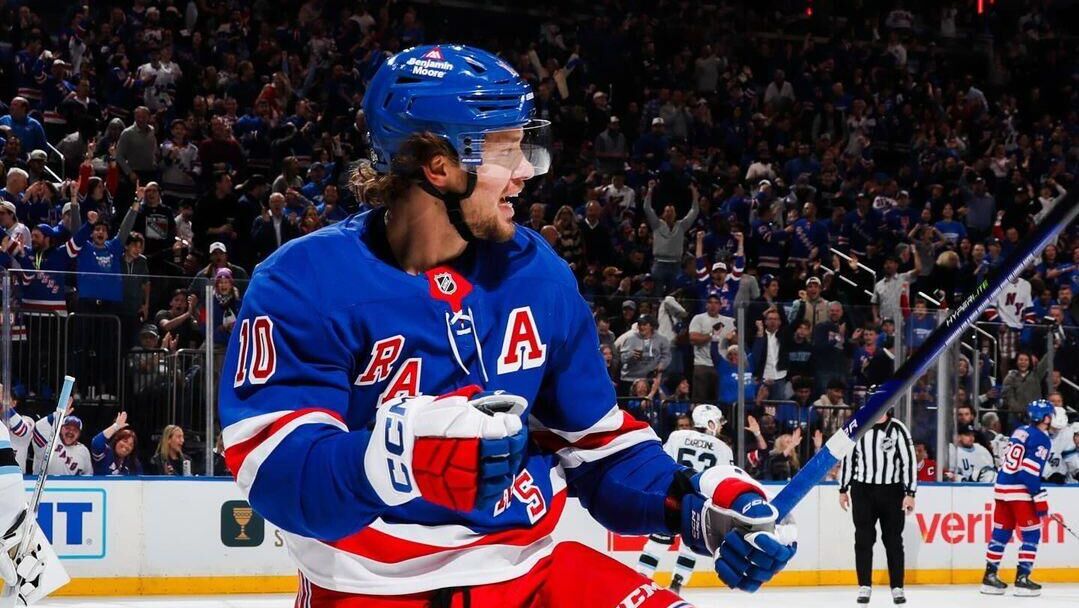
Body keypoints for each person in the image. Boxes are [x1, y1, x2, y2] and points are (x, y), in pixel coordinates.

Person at [219, 45, 795, 607]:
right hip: (371, 590)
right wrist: (394, 457)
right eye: (505, 151)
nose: (525, 173)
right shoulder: (304, 283)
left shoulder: (538, 274)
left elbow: (597, 447)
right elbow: (278, 474)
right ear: (439, 166)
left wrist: (698, 505)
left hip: (535, 576)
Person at [636, 405, 733, 594]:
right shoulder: (723, 449)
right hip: (698, 502)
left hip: (671, 497)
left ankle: (641, 580)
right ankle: (676, 585)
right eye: (718, 422)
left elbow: (662, 462)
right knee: (690, 548)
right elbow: (724, 481)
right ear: (710, 423)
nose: (720, 426)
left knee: (657, 542)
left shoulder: (677, 436)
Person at [838, 409, 916, 605]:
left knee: (893, 541)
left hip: (892, 491)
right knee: (863, 539)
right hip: (862, 491)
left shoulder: (898, 429)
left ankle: (897, 587)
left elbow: (909, 461)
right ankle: (864, 585)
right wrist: (843, 488)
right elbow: (848, 459)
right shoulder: (859, 427)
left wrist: (910, 493)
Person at [981, 400, 1057, 597]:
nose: (1052, 418)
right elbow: (1028, 472)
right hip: (1019, 492)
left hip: (1001, 487)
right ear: (1045, 418)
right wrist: (1038, 495)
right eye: (1050, 414)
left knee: (1001, 532)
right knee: (1032, 534)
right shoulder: (1042, 439)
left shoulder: (1019, 430)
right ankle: (1022, 579)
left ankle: (989, 577)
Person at [688, 295, 735, 401]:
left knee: (720, 399)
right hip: (703, 365)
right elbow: (693, 338)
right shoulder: (699, 318)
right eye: (710, 303)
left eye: (716, 303)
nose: (713, 305)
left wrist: (732, 338)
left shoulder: (728, 321)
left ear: (720, 306)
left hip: (722, 365)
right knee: (700, 400)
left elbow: (737, 341)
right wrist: (711, 334)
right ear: (706, 305)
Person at [33, 410, 92, 477]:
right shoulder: (49, 439)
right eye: (67, 428)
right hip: (43, 483)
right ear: (60, 429)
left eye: (75, 430)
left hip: (69, 484)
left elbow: (88, 476)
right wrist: (58, 414)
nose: (71, 432)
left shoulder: (84, 451)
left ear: (79, 434)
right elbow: (38, 427)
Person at [91, 411, 142, 476]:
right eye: (125, 441)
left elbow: (139, 480)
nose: (127, 446)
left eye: (131, 445)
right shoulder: (106, 453)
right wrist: (115, 426)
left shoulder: (134, 464)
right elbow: (96, 443)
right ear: (116, 440)